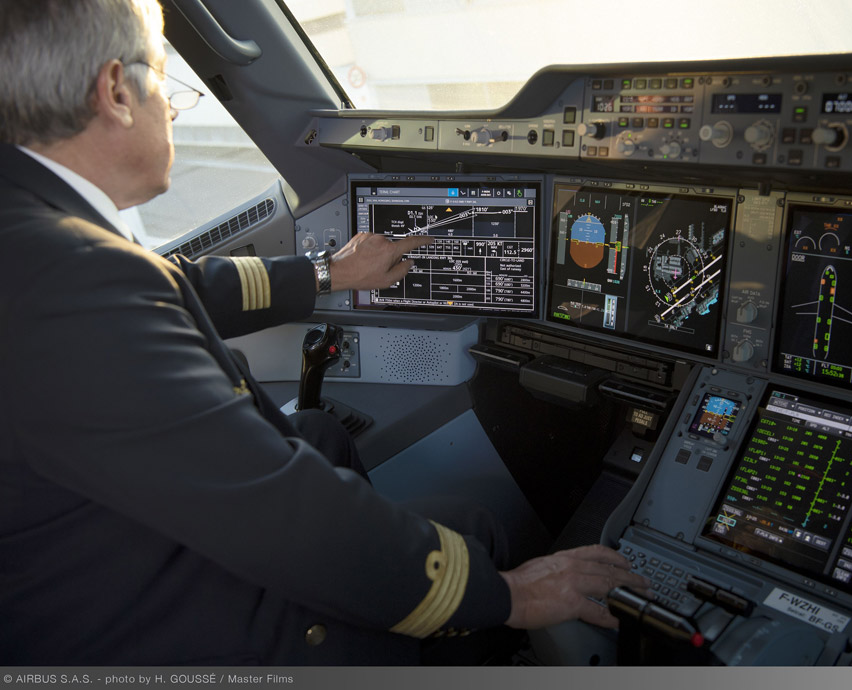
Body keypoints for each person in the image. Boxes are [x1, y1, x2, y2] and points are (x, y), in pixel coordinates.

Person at [0, 0, 645, 665]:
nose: (171, 106)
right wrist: (509, 595)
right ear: (114, 92)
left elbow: (174, 286)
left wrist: (325, 273)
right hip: (151, 634)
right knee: (476, 533)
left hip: (85, 580)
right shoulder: (68, 284)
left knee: (317, 433)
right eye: (165, 80)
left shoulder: (36, 240)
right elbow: (278, 515)